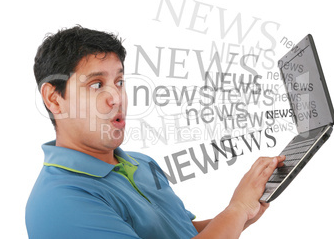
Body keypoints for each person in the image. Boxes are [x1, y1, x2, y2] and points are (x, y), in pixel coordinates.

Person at [25, 26, 285, 239]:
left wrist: (242, 215)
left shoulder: (143, 163)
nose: (116, 97)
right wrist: (237, 210)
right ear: (54, 99)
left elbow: (182, 233)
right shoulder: (59, 200)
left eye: (119, 82)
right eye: (96, 84)